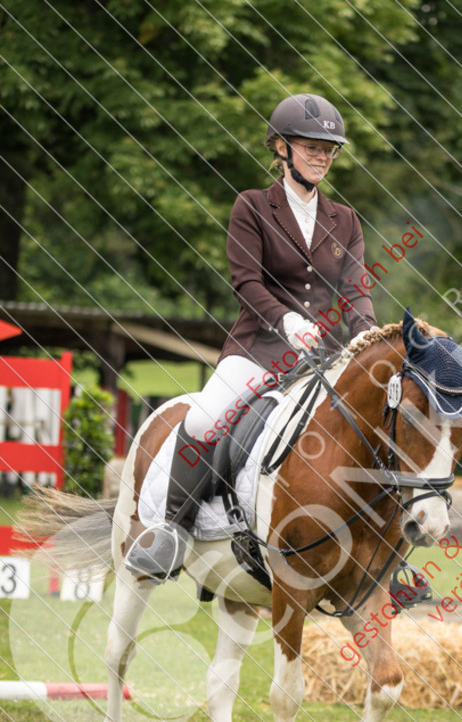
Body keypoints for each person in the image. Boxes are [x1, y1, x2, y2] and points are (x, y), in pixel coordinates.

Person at [126, 93, 378, 580]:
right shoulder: (252, 206)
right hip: (258, 349)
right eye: (311, 147)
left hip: (322, 358)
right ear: (281, 148)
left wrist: (366, 337)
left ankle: (378, 552)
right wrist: (286, 321)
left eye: (330, 150)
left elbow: (355, 292)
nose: (323, 157)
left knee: (376, 422)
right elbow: (247, 282)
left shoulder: (344, 219)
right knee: (202, 422)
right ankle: (171, 533)